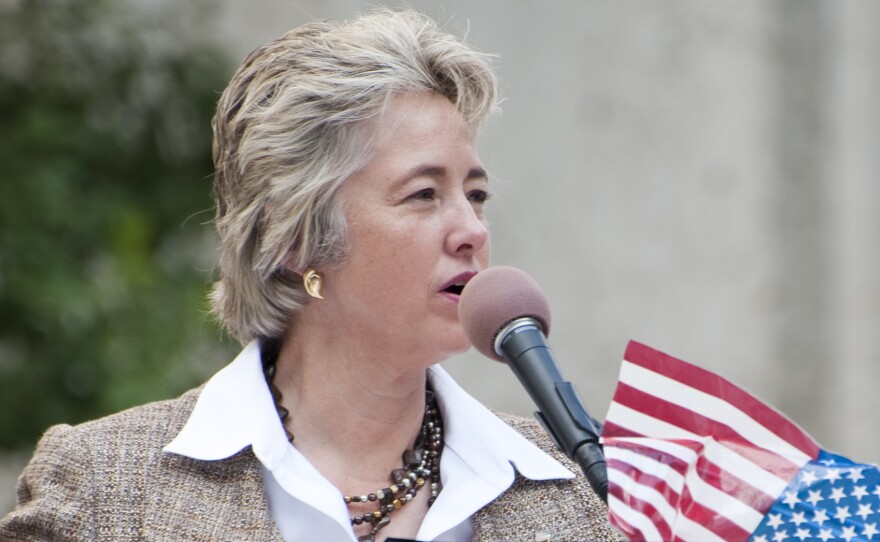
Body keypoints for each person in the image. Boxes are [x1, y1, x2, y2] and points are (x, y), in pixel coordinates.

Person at [0, 9, 620, 542]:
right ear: (297, 239)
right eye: (424, 194)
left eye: (476, 194)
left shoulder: (584, 497)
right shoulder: (105, 488)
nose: (472, 230)